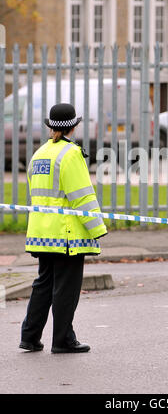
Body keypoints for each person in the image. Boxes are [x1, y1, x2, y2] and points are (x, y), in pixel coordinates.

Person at [19, 103, 107, 353]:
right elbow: (82, 196)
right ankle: (63, 340)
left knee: (43, 285)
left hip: (41, 232)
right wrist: (97, 228)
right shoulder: (71, 154)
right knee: (66, 290)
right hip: (66, 234)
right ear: (74, 125)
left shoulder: (40, 154)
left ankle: (30, 336)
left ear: (50, 126)